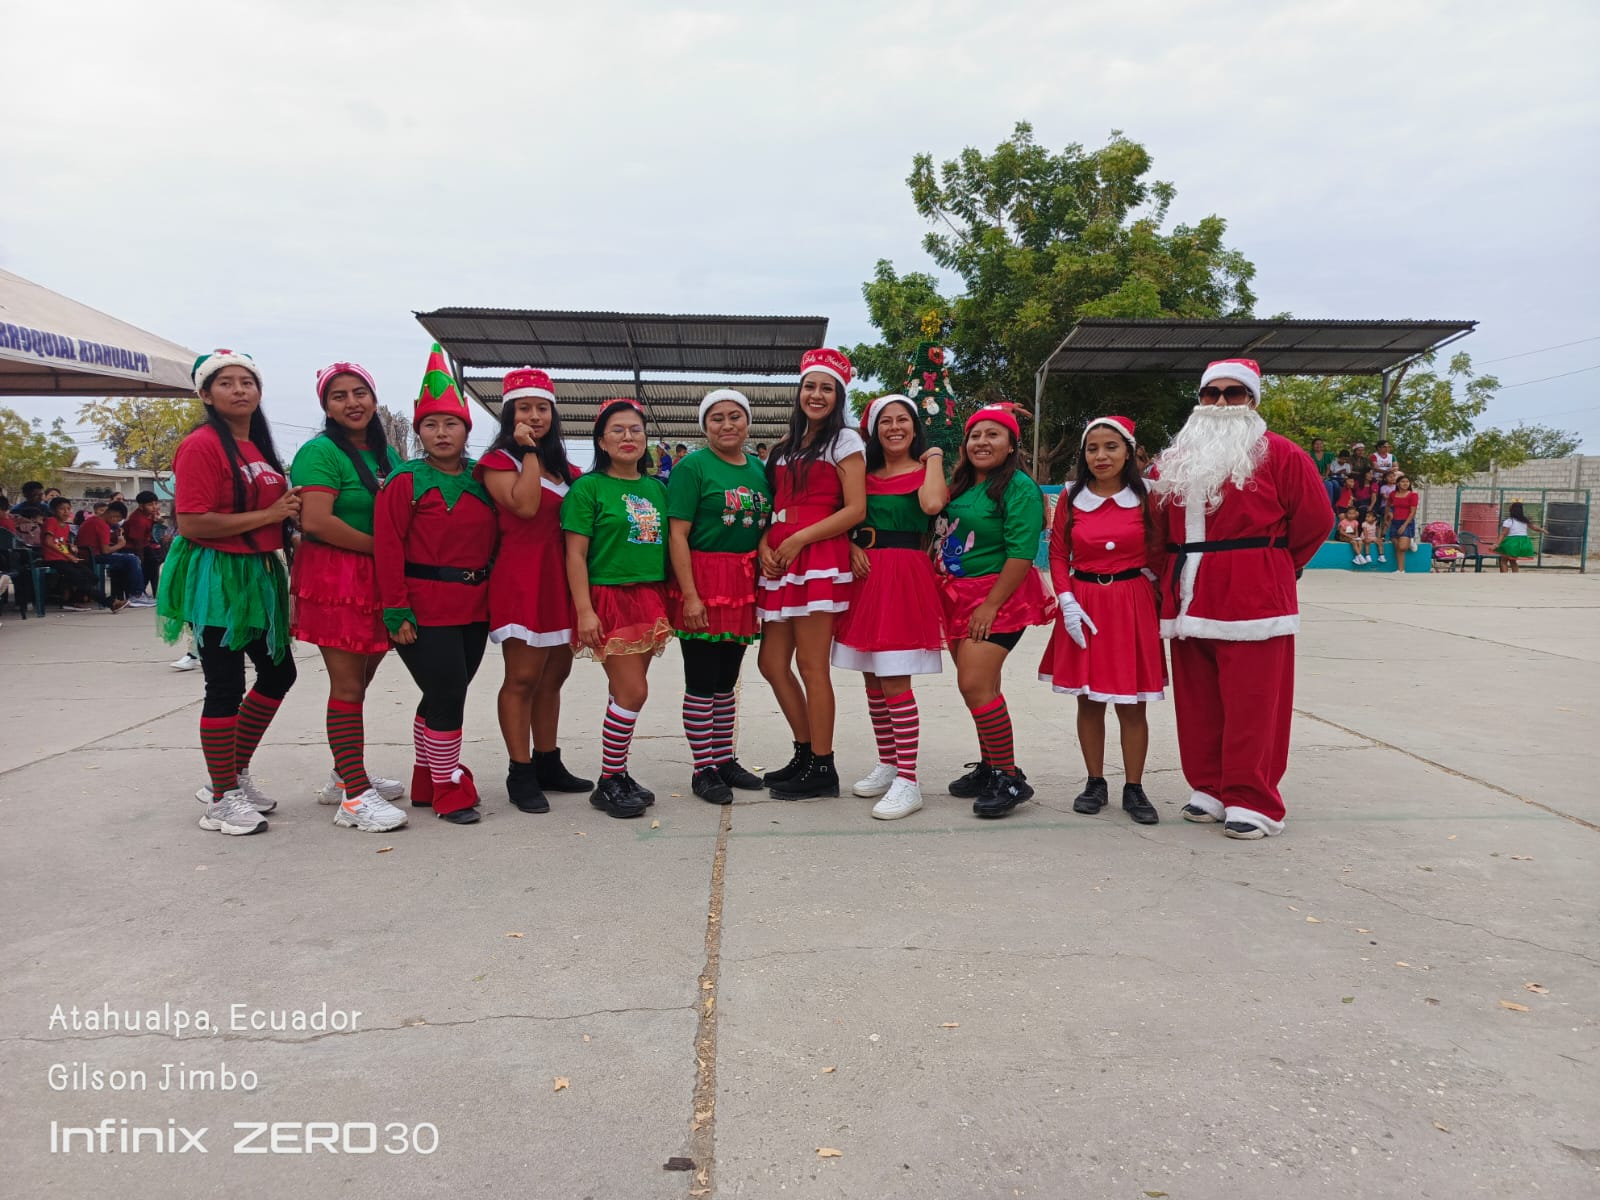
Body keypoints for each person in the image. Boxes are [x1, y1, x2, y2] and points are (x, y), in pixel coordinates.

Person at [1150, 358, 1331, 840]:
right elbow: (1156, 526)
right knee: (1198, 701)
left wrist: (1272, 567)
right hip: (1188, 595)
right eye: (1211, 393)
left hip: (1254, 596)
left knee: (1254, 703)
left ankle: (1252, 799)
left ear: (1252, 400)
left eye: (1234, 393)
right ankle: (1209, 787)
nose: (1221, 402)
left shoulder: (1283, 454)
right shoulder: (1174, 460)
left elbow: (1315, 521)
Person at [156, 350, 300, 836]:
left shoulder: (256, 447)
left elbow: (275, 511)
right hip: (216, 574)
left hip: (257, 572)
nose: (239, 390)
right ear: (205, 394)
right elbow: (193, 522)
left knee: (279, 673)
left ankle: (231, 775)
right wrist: (271, 515)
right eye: (226, 383)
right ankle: (221, 799)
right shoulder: (201, 445)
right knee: (224, 684)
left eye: (247, 382)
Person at [374, 346, 499, 826]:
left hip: (475, 605)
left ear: (466, 429)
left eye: (451, 424)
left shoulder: (483, 478)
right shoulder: (404, 481)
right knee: (448, 694)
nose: (441, 433)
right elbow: (388, 547)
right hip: (424, 607)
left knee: (442, 693)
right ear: (419, 431)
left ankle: (427, 778)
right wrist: (395, 609)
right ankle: (449, 788)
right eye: (431, 425)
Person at [290, 361, 409, 833]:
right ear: (326, 406)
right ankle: (355, 798)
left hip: (379, 578)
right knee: (347, 685)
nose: (352, 402)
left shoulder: (388, 454)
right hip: (337, 577)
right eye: (339, 396)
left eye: (360, 392)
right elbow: (316, 521)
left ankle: (344, 774)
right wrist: (385, 550)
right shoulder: (319, 452)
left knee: (363, 677)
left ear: (374, 399)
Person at [1039, 416, 1166, 825]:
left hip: (1131, 603)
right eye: (1092, 448)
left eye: (1111, 447)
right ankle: (1095, 781)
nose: (1101, 456)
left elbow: (1162, 550)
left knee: (1132, 704)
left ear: (1128, 451)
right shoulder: (1071, 496)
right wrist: (1066, 600)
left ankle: (1134, 787)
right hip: (1085, 602)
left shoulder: (1148, 496)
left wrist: (1157, 593)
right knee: (1090, 700)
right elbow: (1057, 553)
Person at [477, 367, 591, 815]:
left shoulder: (569, 470)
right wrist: (526, 451)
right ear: (509, 415)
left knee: (555, 676)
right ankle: (519, 771)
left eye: (542, 408)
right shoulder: (498, 462)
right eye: (524, 408)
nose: (535, 416)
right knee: (522, 678)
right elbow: (525, 506)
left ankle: (548, 761)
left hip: (561, 578)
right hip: (522, 577)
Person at [756, 348, 867, 800]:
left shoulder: (845, 442)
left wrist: (800, 539)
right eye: (809, 386)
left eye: (826, 388)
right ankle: (804, 752)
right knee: (770, 663)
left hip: (817, 557)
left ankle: (823, 766)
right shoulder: (784, 447)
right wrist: (765, 545)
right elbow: (774, 508)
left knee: (811, 665)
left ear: (838, 396)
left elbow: (855, 508)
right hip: (782, 558)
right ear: (799, 391)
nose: (816, 395)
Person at [830, 394, 948, 820]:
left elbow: (932, 505)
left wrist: (934, 456)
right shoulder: (863, 473)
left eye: (903, 420)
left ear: (915, 427)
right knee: (873, 680)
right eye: (886, 421)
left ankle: (909, 780)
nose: (894, 428)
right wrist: (849, 546)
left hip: (903, 576)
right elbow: (845, 516)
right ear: (874, 430)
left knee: (895, 679)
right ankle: (889, 763)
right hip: (865, 576)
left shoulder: (924, 470)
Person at [937, 403, 1056, 819]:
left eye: (993, 435)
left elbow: (1022, 553)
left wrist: (990, 606)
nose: (982, 442)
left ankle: (1009, 776)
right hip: (957, 594)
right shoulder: (961, 484)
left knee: (974, 683)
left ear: (1011, 445)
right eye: (975, 435)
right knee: (980, 686)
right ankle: (991, 766)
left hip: (998, 597)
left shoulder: (1019, 487)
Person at [562, 398, 673, 817]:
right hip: (608, 598)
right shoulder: (588, 488)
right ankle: (609, 780)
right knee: (633, 691)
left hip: (649, 596)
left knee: (622, 692)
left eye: (635, 430)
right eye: (618, 430)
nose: (628, 437)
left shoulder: (657, 489)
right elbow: (575, 555)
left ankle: (618, 773)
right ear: (602, 441)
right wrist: (584, 610)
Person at [665, 389, 773, 805]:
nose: (727, 425)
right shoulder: (692, 467)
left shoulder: (760, 469)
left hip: (742, 582)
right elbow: (678, 534)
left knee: (727, 679)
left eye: (735, 416)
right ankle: (703, 768)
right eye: (717, 418)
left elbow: (767, 522)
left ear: (747, 422)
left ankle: (724, 758)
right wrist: (691, 596)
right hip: (703, 578)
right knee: (702, 678)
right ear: (705, 426)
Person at [76, 500, 147, 610]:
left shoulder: (93, 521)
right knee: (132, 559)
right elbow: (105, 550)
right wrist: (120, 544)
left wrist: (114, 536)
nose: (116, 522)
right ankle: (137, 595)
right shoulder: (102, 525)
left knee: (126, 559)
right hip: (94, 557)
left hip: (87, 554)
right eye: (118, 519)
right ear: (113, 514)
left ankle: (126, 593)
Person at [40, 496, 100, 610]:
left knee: (92, 577)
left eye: (68, 509)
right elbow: (49, 542)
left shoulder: (66, 526)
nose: (66, 512)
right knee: (78, 576)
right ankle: (107, 601)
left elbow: (61, 543)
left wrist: (70, 548)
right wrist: (67, 555)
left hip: (64, 558)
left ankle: (72, 600)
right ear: (53, 510)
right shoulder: (51, 521)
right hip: (52, 559)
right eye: (62, 509)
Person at [122, 491, 167, 598]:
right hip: (131, 547)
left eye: (156, 503)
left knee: (154, 562)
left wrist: (157, 522)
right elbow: (137, 541)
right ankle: (139, 592)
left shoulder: (150, 515)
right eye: (150, 504)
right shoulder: (137, 519)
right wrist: (141, 558)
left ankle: (153, 591)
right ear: (141, 506)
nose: (154, 507)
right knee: (147, 564)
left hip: (145, 544)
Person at [1495, 501, 1546, 573]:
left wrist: (1496, 544)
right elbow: (1534, 528)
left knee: (1504, 561)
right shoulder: (1525, 521)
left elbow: (1503, 533)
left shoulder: (1509, 521)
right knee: (1513, 561)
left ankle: (1505, 576)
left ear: (1511, 510)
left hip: (1512, 543)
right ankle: (1516, 576)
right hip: (1523, 543)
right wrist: (1542, 530)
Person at [1387, 475, 1421, 571]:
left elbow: (1413, 512)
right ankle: (1401, 570)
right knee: (1397, 546)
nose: (1405, 483)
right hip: (1394, 522)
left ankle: (1410, 540)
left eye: (1407, 481)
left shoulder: (1413, 495)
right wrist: (1389, 513)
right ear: (1398, 484)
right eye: (1403, 481)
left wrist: (1404, 525)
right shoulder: (1393, 494)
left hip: (1406, 522)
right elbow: (1388, 505)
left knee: (1402, 547)